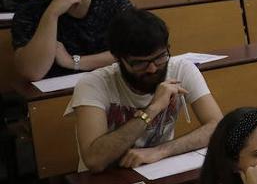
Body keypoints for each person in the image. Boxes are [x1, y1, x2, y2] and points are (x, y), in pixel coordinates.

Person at [68, 9, 223, 172]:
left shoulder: (181, 69)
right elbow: (94, 160)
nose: (152, 68)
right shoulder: (93, 84)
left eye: (160, 57)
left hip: (156, 168)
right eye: (140, 63)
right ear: (118, 58)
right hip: (104, 181)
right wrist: (152, 110)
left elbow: (217, 126)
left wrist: (160, 151)